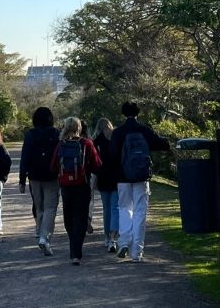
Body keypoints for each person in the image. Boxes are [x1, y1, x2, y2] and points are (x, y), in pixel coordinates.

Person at [109, 101, 170, 263]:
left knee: (124, 209)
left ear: (123, 113)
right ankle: (137, 251)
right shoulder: (144, 130)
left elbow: (112, 155)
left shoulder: (118, 132)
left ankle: (123, 242)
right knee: (140, 212)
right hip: (141, 177)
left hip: (122, 177)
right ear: (138, 113)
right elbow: (162, 144)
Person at [50, 117, 102, 265]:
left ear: (65, 128)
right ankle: (76, 252)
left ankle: (74, 248)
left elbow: (53, 166)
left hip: (66, 186)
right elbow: (97, 165)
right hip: (82, 185)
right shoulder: (86, 144)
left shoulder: (61, 145)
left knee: (69, 218)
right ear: (79, 128)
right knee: (80, 218)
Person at [19, 106, 60, 256]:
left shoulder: (30, 134)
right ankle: (45, 237)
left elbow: (25, 156)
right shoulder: (55, 134)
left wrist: (22, 179)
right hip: (52, 175)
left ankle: (40, 232)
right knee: (51, 208)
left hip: (34, 176)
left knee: (39, 207)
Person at [93, 117, 119, 253]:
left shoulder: (97, 140)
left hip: (103, 177)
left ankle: (107, 237)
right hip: (116, 178)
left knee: (106, 209)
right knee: (115, 208)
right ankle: (114, 238)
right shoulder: (116, 137)